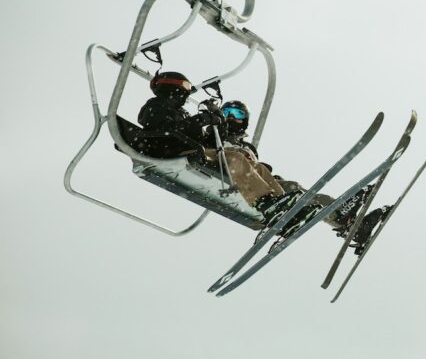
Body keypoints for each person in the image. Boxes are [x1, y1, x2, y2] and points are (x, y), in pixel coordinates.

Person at [135, 72, 318, 235]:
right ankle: (267, 204)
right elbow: (166, 127)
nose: (187, 94)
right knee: (235, 159)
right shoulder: (157, 106)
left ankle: (284, 209)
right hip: (178, 151)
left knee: (260, 169)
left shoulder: (179, 112)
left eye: (237, 114)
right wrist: (202, 120)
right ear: (174, 88)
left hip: (193, 150)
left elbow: (193, 135)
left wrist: (212, 124)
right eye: (186, 89)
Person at [216, 99, 391, 250]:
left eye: (237, 114)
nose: (231, 118)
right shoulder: (213, 133)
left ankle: (347, 221)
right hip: (222, 170)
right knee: (239, 161)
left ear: (244, 120)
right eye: (226, 113)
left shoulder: (247, 147)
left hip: (250, 178)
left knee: (295, 188)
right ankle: (271, 205)